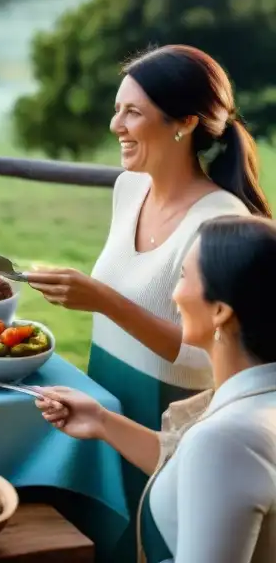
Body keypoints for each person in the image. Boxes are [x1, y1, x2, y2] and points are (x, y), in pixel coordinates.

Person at [24, 45, 270, 560]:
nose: (117, 124)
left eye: (132, 111)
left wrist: (104, 301)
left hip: (165, 406)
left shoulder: (220, 221)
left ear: (183, 123)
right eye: (118, 109)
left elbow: (204, 355)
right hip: (103, 387)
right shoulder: (128, 188)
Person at [35, 215, 276, 563]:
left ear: (221, 311)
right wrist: (102, 422)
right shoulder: (256, 403)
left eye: (182, 277)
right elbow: (198, 479)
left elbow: (220, 459)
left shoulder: (228, 439)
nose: (174, 294)